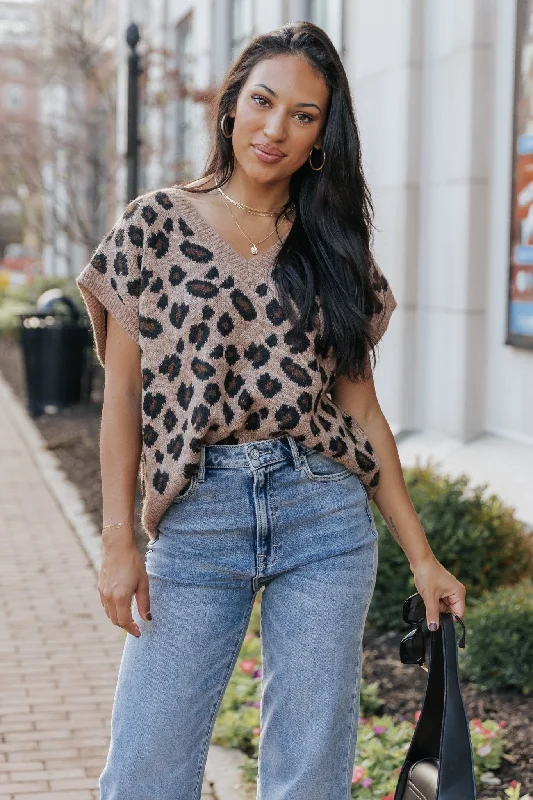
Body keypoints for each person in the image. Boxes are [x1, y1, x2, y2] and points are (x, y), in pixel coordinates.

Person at [76, 20, 466, 800]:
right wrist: (119, 542)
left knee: (308, 775)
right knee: (144, 771)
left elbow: (361, 412)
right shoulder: (152, 224)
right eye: (262, 101)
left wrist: (421, 557)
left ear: (323, 135)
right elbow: (122, 397)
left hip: (321, 514)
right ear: (229, 107)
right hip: (197, 515)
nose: (274, 128)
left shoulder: (334, 245)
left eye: (303, 114)